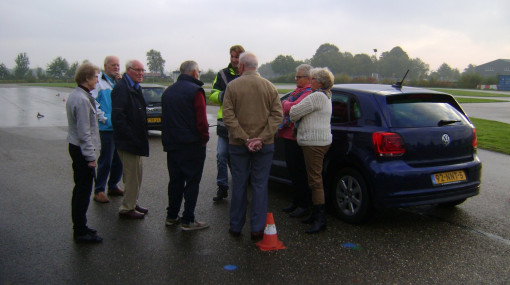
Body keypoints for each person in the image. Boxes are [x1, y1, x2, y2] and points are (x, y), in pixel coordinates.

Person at [222, 52, 283, 240]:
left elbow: (228, 117)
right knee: (259, 185)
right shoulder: (270, 86)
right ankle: (257, 228)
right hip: (264, 146)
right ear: (256, 66)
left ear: (241, 67)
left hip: (238, 146)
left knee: (239, 184)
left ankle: (236, 226)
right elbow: (277, 116)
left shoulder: (232, 87)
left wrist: (245, 139)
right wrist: (261, 138)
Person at [161, 60, 210, 231]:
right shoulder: (196, 91)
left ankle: (172, 215)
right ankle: (188, 219)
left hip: (172, 143)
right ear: (195, 72)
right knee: (192, 181)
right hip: (191, 144)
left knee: (175, 181)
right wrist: (204, 138)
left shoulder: (168, 92)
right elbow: (202, 121)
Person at [289, 67, 334, 234]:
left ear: (320, 82)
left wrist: (292, 108)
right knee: (314, 178)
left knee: (315, 181)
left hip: (313, 143)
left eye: (313, 79)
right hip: (320, 141)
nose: (311, 81)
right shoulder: (327, 95)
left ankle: (320, 219)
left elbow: (294, 112)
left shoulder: (316, 96)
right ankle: (315, 214)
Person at [66, 62, 102, 243]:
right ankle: (79, 231)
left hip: (77, 148)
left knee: (82, 189)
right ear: (87, 78)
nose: (97, 80)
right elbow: (84, 132)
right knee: (83, 190)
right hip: (81, 151)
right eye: (95, 76)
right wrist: (90, 157)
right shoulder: (81, 99)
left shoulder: (81, 95)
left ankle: (82, 225)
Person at [111, 59, 149, 219]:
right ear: (128, 70)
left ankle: (132, 201)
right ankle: (127, 208)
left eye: (142, 70)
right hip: (129, 142)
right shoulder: (122, 89)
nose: (141, 73)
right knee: (131, 175)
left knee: (137, 174)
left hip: (136, 141)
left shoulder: (134, 87)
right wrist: (132, 138)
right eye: (137, 70)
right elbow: (119, 118)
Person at [209, 45, 245, 202]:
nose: (234, 60)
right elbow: (213, 94)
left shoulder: (248, 74)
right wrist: (225, 95)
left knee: (240, 159)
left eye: (237, 57)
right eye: (232, 57)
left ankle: (241, 189)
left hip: (243, 124)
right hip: (224, 124)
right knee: (221, 155)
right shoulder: (222, 74)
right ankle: (222, 187)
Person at [278, 64, 313, 218]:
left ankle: (304, 204)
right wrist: (286, 105)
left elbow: (291, 108)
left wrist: (285, 104)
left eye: (299, 77)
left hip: (297, 137)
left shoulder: (308, 92)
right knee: (292, 171)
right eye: (296, 76)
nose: (296, 79)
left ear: (308, 78)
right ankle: (296, 201)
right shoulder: (297, 91)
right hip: (287, 135)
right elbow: (284, 106)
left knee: (300, 172)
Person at [91, 56, 124, 203]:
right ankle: (99, 190)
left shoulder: (118, 82)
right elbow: (93, 103)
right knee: (106, 160)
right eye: (113, 65)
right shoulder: (99, 82)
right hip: (107, 128)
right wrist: (104, 118)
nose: (116, 68)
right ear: (105, 66)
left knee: (119, 159)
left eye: (118, 65)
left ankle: (113, 185)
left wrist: (121, 83)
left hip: (120, 127)